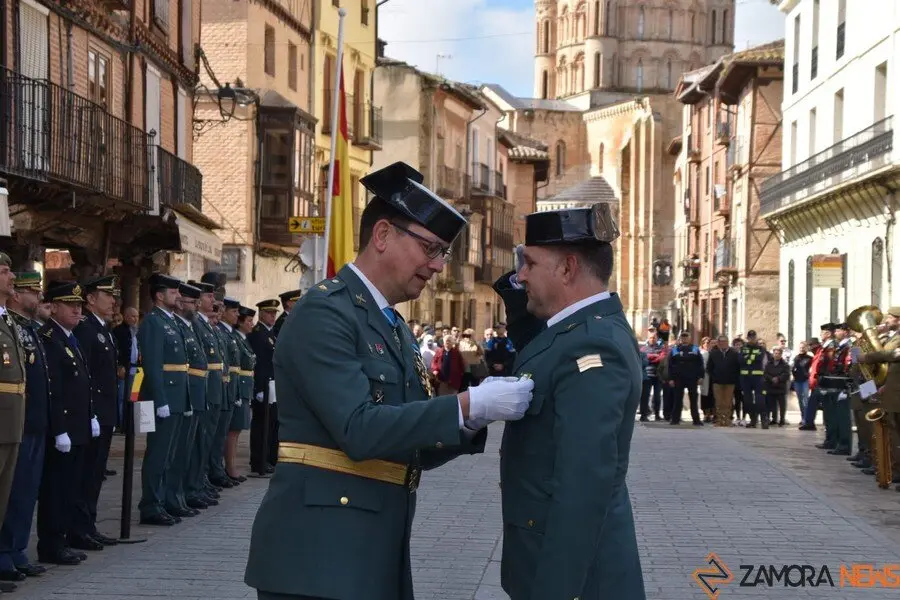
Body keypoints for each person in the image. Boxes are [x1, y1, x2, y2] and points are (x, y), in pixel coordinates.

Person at [244, 161, 534, 600]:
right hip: (319, 556)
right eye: (430, 249)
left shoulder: (390, 325)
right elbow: (360, 430)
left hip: (371, 548)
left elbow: (406, 437)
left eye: (443, 253)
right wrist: (466, 406)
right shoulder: (326, 312)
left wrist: (468, 423)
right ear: (382, 235)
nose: (437, 266)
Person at [492, 203, 644, 599]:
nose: (519, 275)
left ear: (567, 269)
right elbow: (535, 342)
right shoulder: (573, 331)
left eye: (529, 263)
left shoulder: (593, 344)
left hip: (578, 579)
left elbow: (584, 483)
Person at [36, 281, 93, 565]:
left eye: (80, 305)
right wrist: (59, 429)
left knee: (71, 486)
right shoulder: (49, 337)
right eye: (70, 304)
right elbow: (54, 389)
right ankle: (52, 543)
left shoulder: (71, 336)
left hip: (78, 426)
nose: (76, 309)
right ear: (54, 307)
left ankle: (65, 537)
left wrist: (90, 415)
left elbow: (82, 383)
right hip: (64, 428)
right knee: (56, 489)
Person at [69, 275, 120, 550]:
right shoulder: (86, 329)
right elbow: (85, 376)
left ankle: (89, 524)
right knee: (85, 473)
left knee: (95, 473)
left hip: (104, 413)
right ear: (90, 299)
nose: (113, 300)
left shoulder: (103, 328)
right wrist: (90, 413)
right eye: (107, 294)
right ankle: (78, 528)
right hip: (93, 414)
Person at [137, 274, 190, 526]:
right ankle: (150, 504)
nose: (178, 296)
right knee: (158, 453)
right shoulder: (153, 322)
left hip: (177, 396)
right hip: (164, 397)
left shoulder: (171, 322)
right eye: (172, 292)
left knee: (169, 453)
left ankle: (165, 499)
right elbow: (152, 364)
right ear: (159, 295)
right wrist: (160, 400)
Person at [0, 265, 34, 589]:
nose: (12, 278)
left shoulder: (8, 320)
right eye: (4, 271)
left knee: (3, 498)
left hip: (12, 423)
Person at [169, 282, 207, 515]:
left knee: (186, 450)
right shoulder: (162, 323)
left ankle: (180, 495)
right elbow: (153, 366)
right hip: (176, 395)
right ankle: (162, 501)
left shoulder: (187, 326)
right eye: (193, 302)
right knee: (168, 454)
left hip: (191, 393)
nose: (197, 305)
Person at [186, 280, 223, 507]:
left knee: (205, 440)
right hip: (201, 388)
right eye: (209, 297)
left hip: (211, 387)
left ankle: (199, 482)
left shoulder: (204, 324)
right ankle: (193, 485)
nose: (213, 301)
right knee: (197, 442)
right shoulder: (196, 323)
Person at [248, 299, 279, 477]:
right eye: (269, 313)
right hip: (264, 384)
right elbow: (258, 363)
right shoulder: (258, 334)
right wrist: (258, 388)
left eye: (274, 313)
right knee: (261, 424)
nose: (272, 316)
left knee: (271, 423)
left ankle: (268, 458)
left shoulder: (270, 333)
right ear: (261, 314)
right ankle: (258, 460)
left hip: (272, 383)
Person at [227, 305, 256, 481]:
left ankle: (232, 466)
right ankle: (230, 467)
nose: (252, 324)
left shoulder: (243, 339)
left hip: (244, 387)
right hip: (237, 387)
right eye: (249, 321)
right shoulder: (235, 338)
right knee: (233, 430)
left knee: (237, 430)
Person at [668, 331, 704, 426]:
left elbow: (700, 364)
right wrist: (671, 378)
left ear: (689, 338)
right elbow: (670, 365)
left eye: (686, 337)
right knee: (677, 400)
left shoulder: (695, 349)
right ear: (680, 338)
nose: (684, 339)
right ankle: (675, 419)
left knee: (693, 400)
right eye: (682, 337)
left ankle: (696, 420)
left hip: (692, 378)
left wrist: (701, 376)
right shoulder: (675, 349)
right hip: (678, 378)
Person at [707, 335, 740, 426]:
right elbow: (709, 368)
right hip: (717, 382)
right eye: (720, 342)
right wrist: (714, 377)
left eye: (724, 341)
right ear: (718, 343)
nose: (723, 343)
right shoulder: (714, 354)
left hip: (730, 382)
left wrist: (734, 378)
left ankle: (727, 420)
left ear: (727, 342)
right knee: (718, 402)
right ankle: (719, 420)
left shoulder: (734, 354)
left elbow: (738, 368)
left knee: (728, 402)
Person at [740, 330, 768, 428]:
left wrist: (748, 358)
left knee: (760, 399)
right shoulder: (743, 348)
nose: (752, 339)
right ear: (747, 338)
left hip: (758, 377)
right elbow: (741, 360)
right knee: (747, 400)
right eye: (750, 337)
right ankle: (753, 420)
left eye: (753, 337)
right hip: (746, 378)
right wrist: (751, 358)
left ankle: (764, 420)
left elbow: (759, 358)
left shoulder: (761, 348)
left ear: (756, 337)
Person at [764, 347, 790, 426]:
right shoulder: (769, 363)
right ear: (773, 354)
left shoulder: (785, 364)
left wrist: (778, 378)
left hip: (780, 387)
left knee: (782, 405)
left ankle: (782, 419)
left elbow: (786, 374)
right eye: (775, 353)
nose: (777, 355)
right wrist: (771, 378)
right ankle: (771, 419)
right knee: (770, 405)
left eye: (778, 353)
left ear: (781, 354)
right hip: (770, 386)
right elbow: (765, 373)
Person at [792, 341, 813, 428]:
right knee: (800, 400)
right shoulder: (796, 358)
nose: (801, 349)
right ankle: (802, 417)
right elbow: (793, 368)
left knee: (805, 399)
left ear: (806, 348)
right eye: (800, 347)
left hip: (805, 381)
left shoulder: (809, 358)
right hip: (797, 381)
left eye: (803, 347)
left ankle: (806, 419)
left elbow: (811, 369)